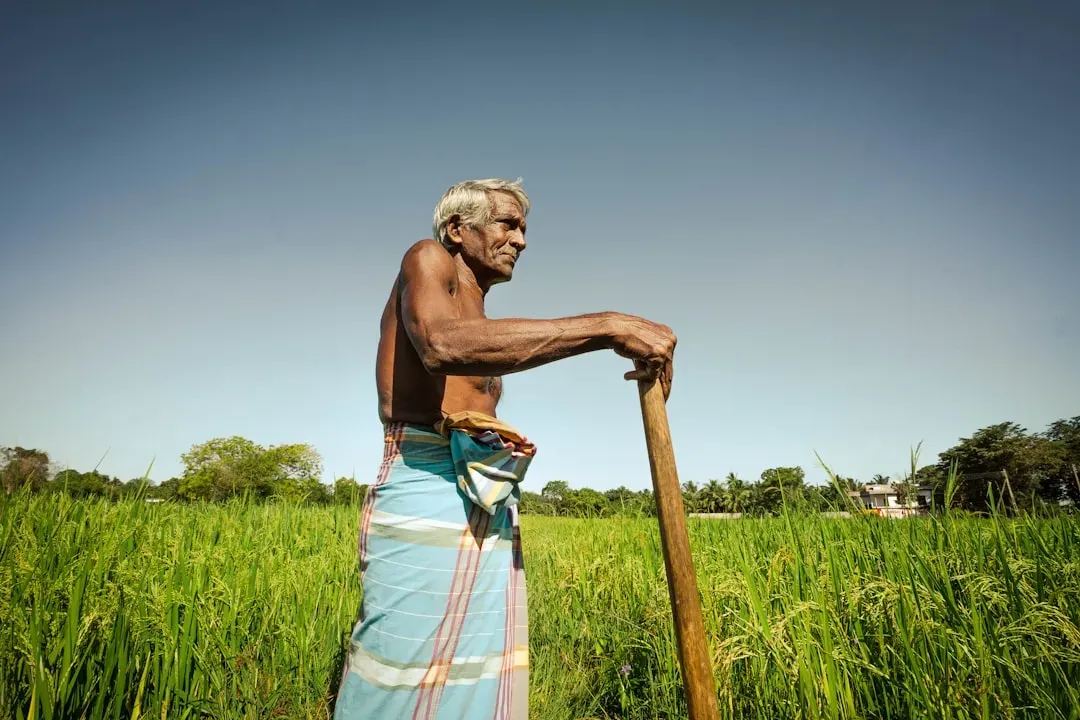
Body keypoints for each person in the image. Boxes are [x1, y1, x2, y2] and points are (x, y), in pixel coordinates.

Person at [334, 178, 676, 719]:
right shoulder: (426, 259)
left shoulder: (479, 309)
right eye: (506, 224)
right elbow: (442, 346)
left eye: (523, 229)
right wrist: (606, 327)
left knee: (476, 663)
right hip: (425, 479)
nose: (520, 240)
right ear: (456, 229)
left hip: (483, 490)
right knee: (400, 663)